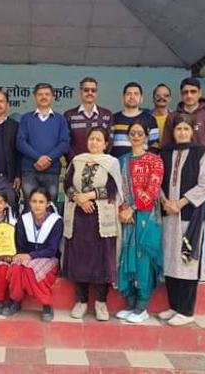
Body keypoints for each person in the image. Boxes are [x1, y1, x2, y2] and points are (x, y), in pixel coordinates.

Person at [161, 77, 205, 281]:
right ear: (181, 94)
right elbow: (166, 145)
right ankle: (172, 267)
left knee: (200, 225)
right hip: (176, 179)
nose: (189, 95)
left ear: (199, 92)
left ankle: (199, 268)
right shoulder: (173, 117)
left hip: (202, 179)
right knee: (173, 227)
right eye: (185, 92)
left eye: (193, 91)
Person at [158, 114, 205, 326]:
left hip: (190, 216)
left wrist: (180, 203)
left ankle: (187, 310)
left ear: (192, 131)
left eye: (186, 129)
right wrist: (165, 202)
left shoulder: (201, 153)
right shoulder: (165, 153)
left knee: (186, 260)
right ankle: (174, 306)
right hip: (168, 214)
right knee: (170, 259)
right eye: (178, 129)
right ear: (173, 132)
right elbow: (158, 181)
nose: (182, 132)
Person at [62, 127, 124, 321]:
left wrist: (90, 195)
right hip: (79, 218)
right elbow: (67, 184)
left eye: (99, 140)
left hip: (101, 220)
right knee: (80, 259)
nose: (94, 142)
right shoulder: (77, 160)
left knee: (101, 261)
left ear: (106, 144)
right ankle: (80, 302)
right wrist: (79, 199)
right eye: (92, 139)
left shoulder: (111, 163)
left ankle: (101, 303)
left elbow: (113, 189)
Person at [116, 123, 164, 323]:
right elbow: (117, 191)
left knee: (143, 258)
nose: (136, 136)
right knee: (127, 258)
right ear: (128, 137)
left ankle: (142, 307)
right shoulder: (121, 161)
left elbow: (152, 191)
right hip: (127, 217)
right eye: (132, 133)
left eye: (140, 133)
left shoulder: (155, 161)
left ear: (146, 137)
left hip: (146, 217)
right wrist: (122, 210)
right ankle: (131, 304)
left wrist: (132, 208)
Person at [5, 188, 63, 322]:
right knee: (16, 268)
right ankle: (15, 300)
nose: (37, 205)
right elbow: (20, 245)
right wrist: (24, 256)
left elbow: (52, 249)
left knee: (31, 269)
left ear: (48, 204)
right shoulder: (23, 220)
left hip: (48, 258)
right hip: (26, 256)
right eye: (34, 201)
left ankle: (46, 304)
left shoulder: (56, 221)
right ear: (29, 203)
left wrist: (31, 256)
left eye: (41, 202)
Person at [16, 83, 70, 206]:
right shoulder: (26, 118)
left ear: (53, 97)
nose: (43, 97)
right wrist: (38, 158)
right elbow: (20, 142)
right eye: (40, 94)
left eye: (47, 94)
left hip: (52, 170)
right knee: (30, 206)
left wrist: (48, 158)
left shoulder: (60, 119)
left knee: (50, 207)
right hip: (30, 169)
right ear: (35, 97)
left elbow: (64, 143)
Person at [63, 77, 113, 161]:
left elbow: (110, 141)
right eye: (86, 90)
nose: (90, 93)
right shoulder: (69, 115)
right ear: (80, 92)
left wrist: (99, 159)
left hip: (100, 165)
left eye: (93, 90)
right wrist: (76, 160)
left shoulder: (107, 115)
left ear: (96, 93)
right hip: (75, 166)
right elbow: (65, 142)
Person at [110, 82, 159, 159]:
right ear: (123, 98)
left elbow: (155, 145)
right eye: (129, 94)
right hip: (117, 166)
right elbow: (108, 145)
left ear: (141, 98)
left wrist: (145, 161)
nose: (132, 97)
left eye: (136, 94)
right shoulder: (113, 119)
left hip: (142, 167)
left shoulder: (150, 119)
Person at [149, 83, 172, 149]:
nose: (162, 98)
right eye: (158, 96)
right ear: (153, 98)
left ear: (170, 99)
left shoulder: (175, 118)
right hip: (151, 156)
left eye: (166, 95)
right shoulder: (146, 118)